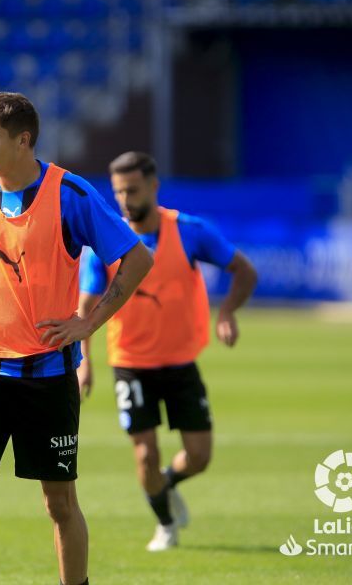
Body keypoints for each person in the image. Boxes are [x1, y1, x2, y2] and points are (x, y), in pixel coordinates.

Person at [0, 93, 153, 585]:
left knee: (59, 503)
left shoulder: (69, 194)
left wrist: (88, 324)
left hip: (48, 376)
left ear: (23, 140)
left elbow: (137, 259)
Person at [77, 151, 258, 552]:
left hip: (180, 362)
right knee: (144, 453)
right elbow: (85, 309)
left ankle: (165, 484)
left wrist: (227, 311)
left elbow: (244, 270)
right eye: (119, 192)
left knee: (199, 456)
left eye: (133, 190)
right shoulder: (105, 242)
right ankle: (165, 524)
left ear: (154, 187)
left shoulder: (191, 232)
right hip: (130, 364)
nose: (125, 200)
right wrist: (84, 362)